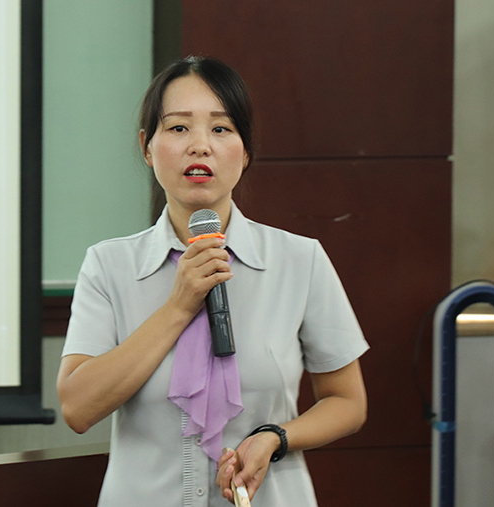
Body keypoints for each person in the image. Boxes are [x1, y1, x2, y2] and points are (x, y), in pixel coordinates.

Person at [57, 56, 369, 506]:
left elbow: (348, 402)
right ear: (147, 147)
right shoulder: (109, 266)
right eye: (178, 128)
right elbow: (77, 408)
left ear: (246, 150)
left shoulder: (300, 260)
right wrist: (178, 306)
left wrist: (275, 437)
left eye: (221, 129)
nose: (200, 146)